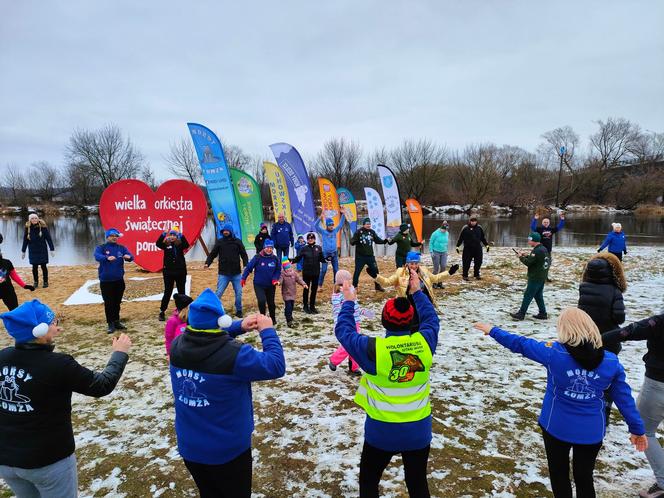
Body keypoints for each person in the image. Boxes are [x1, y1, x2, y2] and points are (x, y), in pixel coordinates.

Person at [473, 308, 647, 498]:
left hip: (556, 426)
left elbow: (521, 344)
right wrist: (637, 429)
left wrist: (493, 330)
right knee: (584, 478)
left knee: (559, 475)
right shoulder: (611, 362)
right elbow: (624, 399)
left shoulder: (553, 353)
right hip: (591, 431)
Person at [0, 299, 131, 498]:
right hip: (48, 462)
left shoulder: (2, 357)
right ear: (39, 331)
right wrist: (119, 354)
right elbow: (102, 385)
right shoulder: (58, 365)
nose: (58, 328)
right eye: (53, 323)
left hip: (6, 460)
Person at [168, 288, 286, 498]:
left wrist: (238, 326)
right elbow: (275, 365)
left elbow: (207, 339)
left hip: (190, 447)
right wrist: (267, 331)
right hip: (227, 451)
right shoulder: (236, 356)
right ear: (220, 321)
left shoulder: (177, 345)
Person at [335, 269, 439, 497]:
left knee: (369, 483)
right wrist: (417, 291)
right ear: (412, 320)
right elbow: (431, 319)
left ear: (383, 321)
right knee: (418, 483)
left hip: (381, 433)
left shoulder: (374, 350)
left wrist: (349, 302)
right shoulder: (425, 342)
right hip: (418, 431)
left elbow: (343, 331)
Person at [603, 314, 664, 498]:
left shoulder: (659, 322)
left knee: (644, 431)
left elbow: (627, 332)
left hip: (657, 385)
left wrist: (594, 339)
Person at [376, 251, 458, 329]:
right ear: (407, 263)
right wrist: (376, 276)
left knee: (423, 325)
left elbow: (435, 278)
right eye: (411, 263)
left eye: (416, 263)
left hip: (422, 303)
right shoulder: (400, 273)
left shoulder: (424, 271)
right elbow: (387, 282)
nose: (414, 266)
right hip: (408, 306)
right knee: (411, 327)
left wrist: (449, 272)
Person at [328, 269, 373, 375]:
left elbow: (355, 306)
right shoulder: (338, 295)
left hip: (355, 322)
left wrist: (364, 312)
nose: (351, 281)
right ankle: (334, 360)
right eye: (349, 280)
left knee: (354, 345)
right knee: (349, 344)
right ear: (343, 282)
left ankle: (353, 367)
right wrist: (338, 321)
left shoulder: (351, 290)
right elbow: (338, 310)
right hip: (345, 323)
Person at [204, 223, 248, 318]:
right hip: (223, 273)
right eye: (224, 231)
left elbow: (244, 254)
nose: (225, 232)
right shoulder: (220, 242)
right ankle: (213, 310)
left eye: (227, 231)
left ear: (231, 231)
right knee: (218, 292)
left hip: (236, 273)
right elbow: (212, 254)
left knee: (239, 293)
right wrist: (207, 263)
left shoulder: (238, 242)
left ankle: (239, 310)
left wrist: (245, 265)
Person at [94, 228, 134, 334]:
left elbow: (131, 257)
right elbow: (97, 256)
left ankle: (117, 321)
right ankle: (110, 324)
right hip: (106, 281)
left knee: (117, 302)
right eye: (112, 236)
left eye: (116, 236)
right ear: (107, 237)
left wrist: (128, 257)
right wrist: (106, 257)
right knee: (109, 303)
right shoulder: (101, 247)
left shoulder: (121, 248)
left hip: (119, 280)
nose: (114, 238)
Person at [510, 232, 550, 321]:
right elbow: (537, 260)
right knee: (538, 295)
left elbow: (529, 263)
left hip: (535, 277)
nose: (528, 241)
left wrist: (520, 257)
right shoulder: (543, 249)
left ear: (534, 241)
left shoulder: (536, 251)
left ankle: (521, 314)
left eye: (529, 240)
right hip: (542, 276)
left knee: (528, 295)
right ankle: (543, 313)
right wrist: (526, 255)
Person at [241, 239, 280, 324]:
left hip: (270, 285)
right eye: (267, 247)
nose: (269, 249)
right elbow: (248, 268)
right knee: (262, 301)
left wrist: (275, 278)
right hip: (259, 284)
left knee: (271, 303)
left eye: (271, 248)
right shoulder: (257, 257)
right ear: (264, 247)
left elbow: (278, 270)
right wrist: (244, 278)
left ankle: (272, 319)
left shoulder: (275, 259)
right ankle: (263, 318)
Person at [156, 225, 190, 321]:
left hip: (180, 271)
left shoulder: (180, 244)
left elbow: (187, 245)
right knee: (168, 291)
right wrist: (163, 234)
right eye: (170, 234)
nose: (172, 236)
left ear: (177, 236)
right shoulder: (166, 244)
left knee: (181, 291)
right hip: (168, 272)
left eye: (174, 235)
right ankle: (162, 311)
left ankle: (182, 311)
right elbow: (157, 243)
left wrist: (181, 235)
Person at [290, 232, 326, 314]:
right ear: (307, 240)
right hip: (307, 273)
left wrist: (327, 259)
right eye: (309, 239)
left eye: (312, 238)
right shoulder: (304, 248)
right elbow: (298, 258)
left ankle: (312, 306)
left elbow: (322, 259)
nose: (310, 240)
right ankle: (305, 306)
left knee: (314, 290)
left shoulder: (319, 248)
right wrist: (291, 261)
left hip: (316, 273)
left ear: (314, 239)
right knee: (306, 289)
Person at [350, 218, 388, 292]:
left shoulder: (372, 232)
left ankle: (377, 286)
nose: (368, 225)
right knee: (357, 272)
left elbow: (377, 240)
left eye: (369, 224)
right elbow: (352, 241)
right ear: (364, 224)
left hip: (370, 256)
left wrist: (384, 241)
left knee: (376, 271)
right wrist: (353, 241)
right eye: (367, 224)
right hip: (360, 257)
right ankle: (355, 287)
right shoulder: (358, 232)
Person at [21, 213, 55, 288]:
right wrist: (23, 251)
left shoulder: (43, 227)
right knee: (34, 267)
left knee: (43, 266)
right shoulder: (28, 228)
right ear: (30, 220)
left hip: (42, 250)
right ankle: (36, 282)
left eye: (35, 218)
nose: (34, 220)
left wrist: (52, 249)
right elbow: (25, 240)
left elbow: (48, 239)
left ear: (38, 219)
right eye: (32, 218)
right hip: (33, 250)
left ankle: (45, 282)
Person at [314, 210, 346, 289]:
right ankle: (319, 285)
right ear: (327, 226)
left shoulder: (335, 231)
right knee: (324, 270)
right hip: (325, 254)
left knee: (336, 270)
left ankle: (336, 284)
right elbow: (315, 226)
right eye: (330, 225)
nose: (331, 226)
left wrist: (343, 214)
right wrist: (320, 217)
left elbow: (341, 224)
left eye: (332, 225)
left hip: (334, 253)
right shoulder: (323, 232)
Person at [530, 212, 565, 281]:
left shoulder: (551, 230)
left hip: (548, 250)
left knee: (547, 264)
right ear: (542, 223)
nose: (546, 223)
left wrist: (562, 219)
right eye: (544, 222)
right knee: (540, 263)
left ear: (549, 223)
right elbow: (532, 227)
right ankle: (537, 276)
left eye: (547, 222)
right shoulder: (539, 229)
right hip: (540, 250)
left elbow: (559, 227)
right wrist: (535, 219)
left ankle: (545, 276)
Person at [455, 216, 489, 281]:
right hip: (468, 249)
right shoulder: (465, 228)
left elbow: (482, 238)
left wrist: (486, 245)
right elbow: (460, 238)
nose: (473, 222)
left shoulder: (479, 228)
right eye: (472, 221)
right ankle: (465, 275)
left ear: (476, 221)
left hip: (477, 248)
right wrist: (457, 246)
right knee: (466, 263)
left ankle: (476, 274)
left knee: (478, 262)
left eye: (474, 221)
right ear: (470, 221)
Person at [279, 258, 306, 328]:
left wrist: (303, 284)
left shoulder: (294, 273)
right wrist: (279, 283)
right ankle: (289, 320)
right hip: (286, 293)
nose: (288, 270)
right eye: (286, 268)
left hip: (293, 293)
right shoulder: (282, 274)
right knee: (288, 306)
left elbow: (299, 279)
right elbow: (280, 280)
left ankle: (289, 315)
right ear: (284, 268)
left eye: (289, 268)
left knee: (291, 306)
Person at [164, 293, 193, 357]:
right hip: (178, 354)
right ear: (185, 309)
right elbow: (169, 339)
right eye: (191, 307)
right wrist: (169, 354)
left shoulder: (192, 319)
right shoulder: (172, 321)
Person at [428, 221, 450, 288]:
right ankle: (434, 282)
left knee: (443, 267)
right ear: (441, 228)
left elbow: (446, 243)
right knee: (436, 268)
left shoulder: (447, 233)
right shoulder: (435, 233)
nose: (445, 231)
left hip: (443, 252)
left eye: (446, 230)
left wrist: (446, 251)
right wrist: (431, 252)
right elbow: (430, 243)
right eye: (444, 230)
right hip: (436, 252)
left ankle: (440, 282)